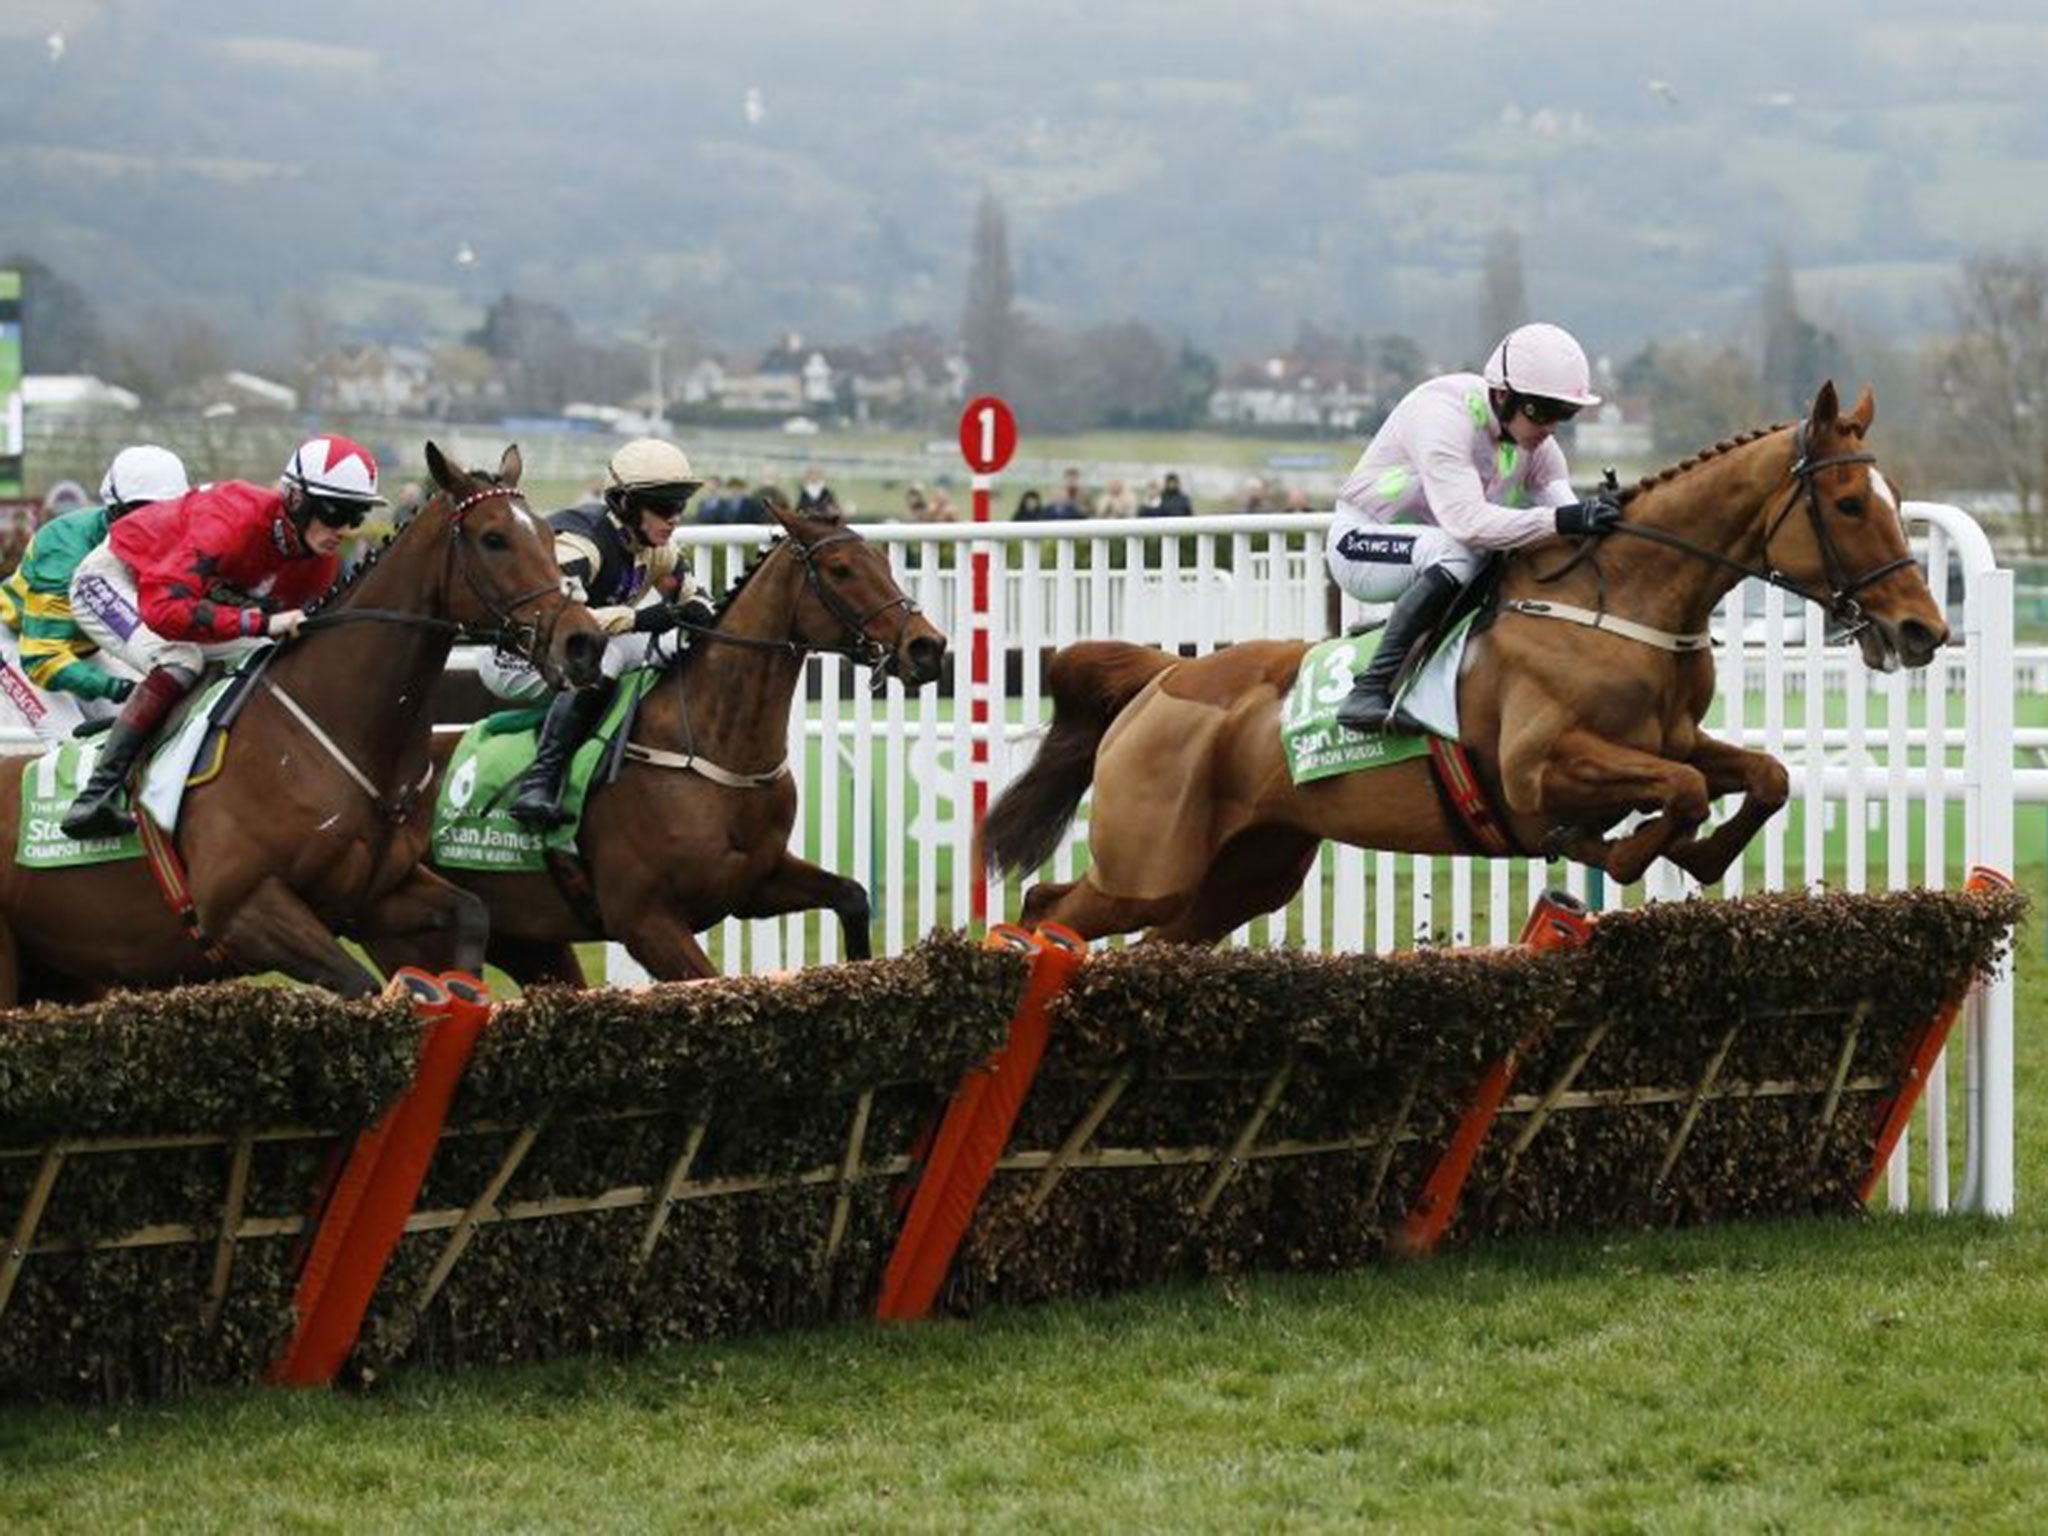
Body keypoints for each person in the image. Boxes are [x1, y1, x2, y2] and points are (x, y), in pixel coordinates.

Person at [60, 434, 380, 838]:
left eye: (357, 517)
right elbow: (164, 611)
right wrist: (258, 623)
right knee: (181, 660)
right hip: (113, 578)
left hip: (170, 593)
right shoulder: (233, 516)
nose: (345, 529)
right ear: (297, 499)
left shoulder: (318, 564)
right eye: (336, 513)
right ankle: (94, 796)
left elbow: (279, 633)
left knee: (269, 655)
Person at [1324, 321, 1623, 734]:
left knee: (1510, 551)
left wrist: (1608, 518)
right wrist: (1566, 520)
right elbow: (1468, 524)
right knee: (1460, 551)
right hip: (1359, 543)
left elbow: (1566, 514)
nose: (1553, 427)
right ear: (1503, 395)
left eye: (1565, 414)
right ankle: (1368, 692)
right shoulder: (1444, 416)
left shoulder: (1537, 444)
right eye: (1544, 411)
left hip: (1431, 547)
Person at [506, 437, 717, 827]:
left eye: (680, 506)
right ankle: (539, 781)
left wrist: (698, 612)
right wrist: (642, 618)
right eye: (665, 507)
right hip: (523, 657)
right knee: (608, 651)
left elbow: (699, 601)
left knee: (679, 644)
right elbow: (563, 622)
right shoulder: (578, 542)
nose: (675, 518)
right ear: (624, 503)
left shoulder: (655, 547)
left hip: (588, 649)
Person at [0, 445, 190, 746]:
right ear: (113, 509)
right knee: (71, 747)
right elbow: (42, 657)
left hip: (85, 645)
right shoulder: (64, 549)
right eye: (141, 513)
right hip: (22, 643)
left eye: (166, 514)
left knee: (141, 735)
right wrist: (117, 688)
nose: (153, 527)